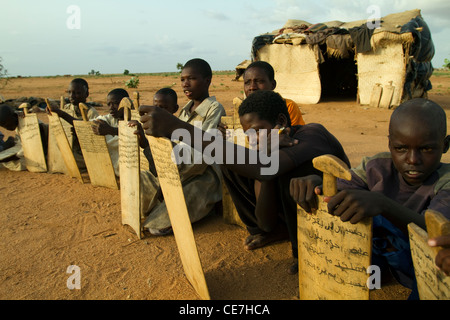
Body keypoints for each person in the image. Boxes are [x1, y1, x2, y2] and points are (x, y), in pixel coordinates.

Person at [138, 90, 350, 273]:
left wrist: (177, 128)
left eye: (257, 130)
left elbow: (265, 168)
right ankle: (279, 232)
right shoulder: (269, 150)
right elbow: (265, 218)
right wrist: (266, 158)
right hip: (277, 199)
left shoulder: (312, 134)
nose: (253, 139)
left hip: (341, 217)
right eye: (248, 133)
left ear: (282, 122)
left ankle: (303, 251)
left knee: (286, 173)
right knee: (234, 164)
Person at [290, 98, 450, 298]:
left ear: (445, 145)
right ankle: (371, 276)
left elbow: (435, 234)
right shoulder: (376, 166)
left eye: (426, 149)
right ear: (390, 144)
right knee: (354, 213)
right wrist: (316, 185)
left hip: (417, 268)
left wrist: (383, 205)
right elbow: (340, 193)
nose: (412, 160)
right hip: (380, 257)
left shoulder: (446, 182)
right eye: (401, 148)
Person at [139, 59, 226, 236]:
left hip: (202, 173)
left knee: (158, 226)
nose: (185, 84)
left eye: (191, 78)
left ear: (207, 80)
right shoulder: (184, 111)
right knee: (138, 180)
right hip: (177, 167)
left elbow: (204, 153)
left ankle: (202, 206)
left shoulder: (214, 109)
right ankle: (163, 198)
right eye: (182, 79)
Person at [48, 78, 99, 169]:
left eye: (77, 93)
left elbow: (93, 137)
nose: (72, 96)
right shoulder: (67, 108)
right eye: (69, 92)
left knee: (71, 160)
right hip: (69, 148)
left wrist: (63, 115)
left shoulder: (91, 112)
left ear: (86, 94)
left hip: (83, 153)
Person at [241, 60, 305, 126]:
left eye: (259, 81)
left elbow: (297, 134)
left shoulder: (288, 107)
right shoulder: (244, 111)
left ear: (273, 85)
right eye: (247, 83)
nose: (252, 87)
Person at [0, 104, 48, 171]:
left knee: (12, 164)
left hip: (42, 153)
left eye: (8, 125)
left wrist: (10, 156)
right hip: (30, 150)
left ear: (14, 116)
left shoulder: (30, 124)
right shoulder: (18, 121)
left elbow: (37, 147)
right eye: (4, 127)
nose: (7, 128)